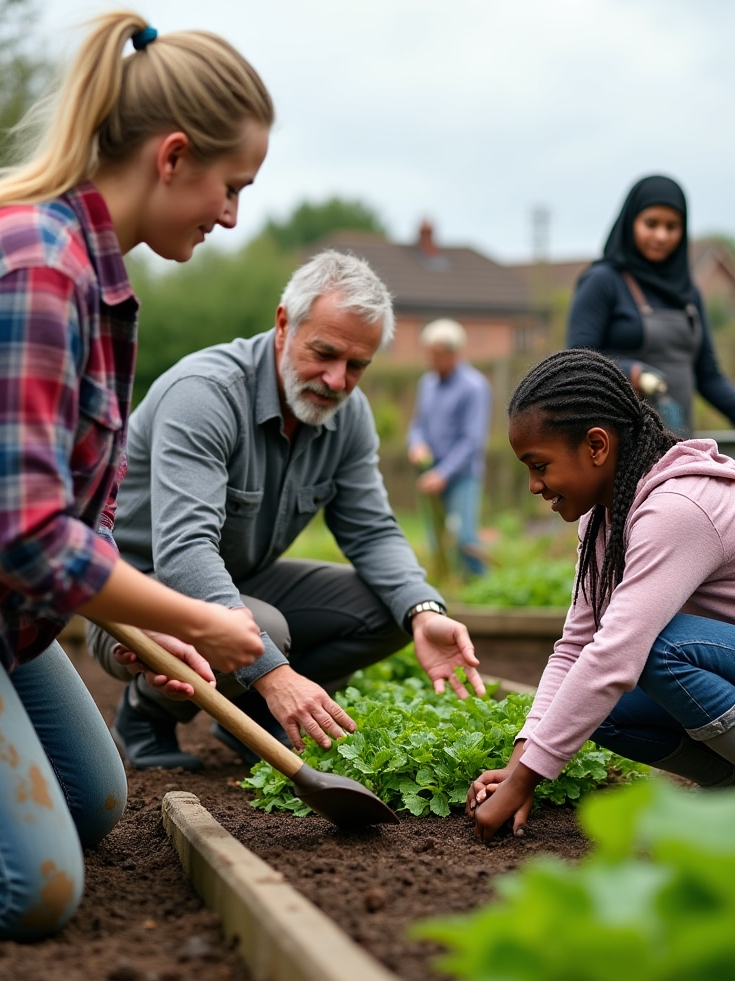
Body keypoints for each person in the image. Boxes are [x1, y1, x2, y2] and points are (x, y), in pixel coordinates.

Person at [0, 11, 274, 939]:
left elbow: (76, 526)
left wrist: (153, 632)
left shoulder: (95, 279)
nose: (231, 215)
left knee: (92, 800)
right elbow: (27, 534)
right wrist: (196, 614)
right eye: (231, 187)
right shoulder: (38, 267)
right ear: (174, 155)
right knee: (28, 887)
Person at [467, 349, 735, 841]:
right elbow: (575, 647)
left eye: (539, 464)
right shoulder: (604, 517)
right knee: (596, 704)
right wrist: (520, 763)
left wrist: (525, 783)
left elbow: (614, 653)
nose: (533, 485)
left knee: (651, 648)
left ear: (596, 445)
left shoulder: (679, 508)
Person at [88, 250, 485, 771]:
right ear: (283, 324)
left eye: (357, 365)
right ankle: (147, 711)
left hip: (242, 582)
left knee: (395, 607)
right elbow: (184, 551)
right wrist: (274, 671)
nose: (338, 380)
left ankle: (248, 715)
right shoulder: (204, 395)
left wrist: (423, 610)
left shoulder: (348, 416)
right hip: (137, 600)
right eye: (324, 353)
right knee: (263, 633)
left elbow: (372, 531)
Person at [566, 174, 735, 437]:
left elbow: (708, 376)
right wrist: (629, 372)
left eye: (672, 226)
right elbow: (577, 363)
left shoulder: (688, 294)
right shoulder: (603, 281)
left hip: (676, 443)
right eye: (651, 223)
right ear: (630, 222)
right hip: (616, 444)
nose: (661, 235)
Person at [407, 319, 492, 578]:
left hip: (461, 475)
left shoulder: (475, 387)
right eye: (429, 353)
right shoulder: (427, 383)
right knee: (436, 541)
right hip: (430, 471)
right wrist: (416, 444)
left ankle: (481, 587)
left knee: (464, 538)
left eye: (437, 354)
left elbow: (472, 440)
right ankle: (447, 588)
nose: (431, 360)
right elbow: (417, 425)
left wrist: (442, 474)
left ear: (454, 353)